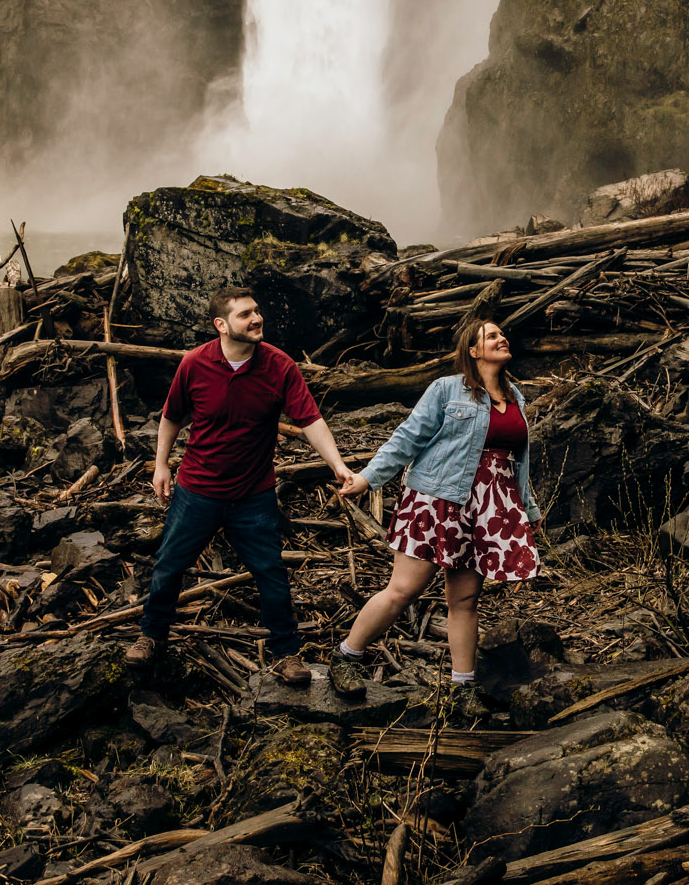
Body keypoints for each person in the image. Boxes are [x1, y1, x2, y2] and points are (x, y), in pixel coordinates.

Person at [125, 288, 365, 686]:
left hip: (253, 495)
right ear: (221, 325)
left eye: (257, 311)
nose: (257, 320)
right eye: (245, 315)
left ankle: (287, 655)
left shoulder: (279, 366)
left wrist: (338, 465)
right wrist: (161, 465)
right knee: (169, 566)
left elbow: (311, 421)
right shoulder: (195, 364)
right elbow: (171, 418)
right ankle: (151, 635)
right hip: (197, 490)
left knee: (270, 573)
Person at [335, 317, 542, 712]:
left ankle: (463, 689)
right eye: (492, 336)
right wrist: (368, 478)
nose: (502, 338)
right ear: (473, 350)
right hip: (436, 499)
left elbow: (520, 462)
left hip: (488, 508)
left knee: (465, 600)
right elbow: (407, 438)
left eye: (502, 333)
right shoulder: (446, 390)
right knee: (403, 590)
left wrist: (527, 509)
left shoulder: (514, 396)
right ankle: (346, 656)